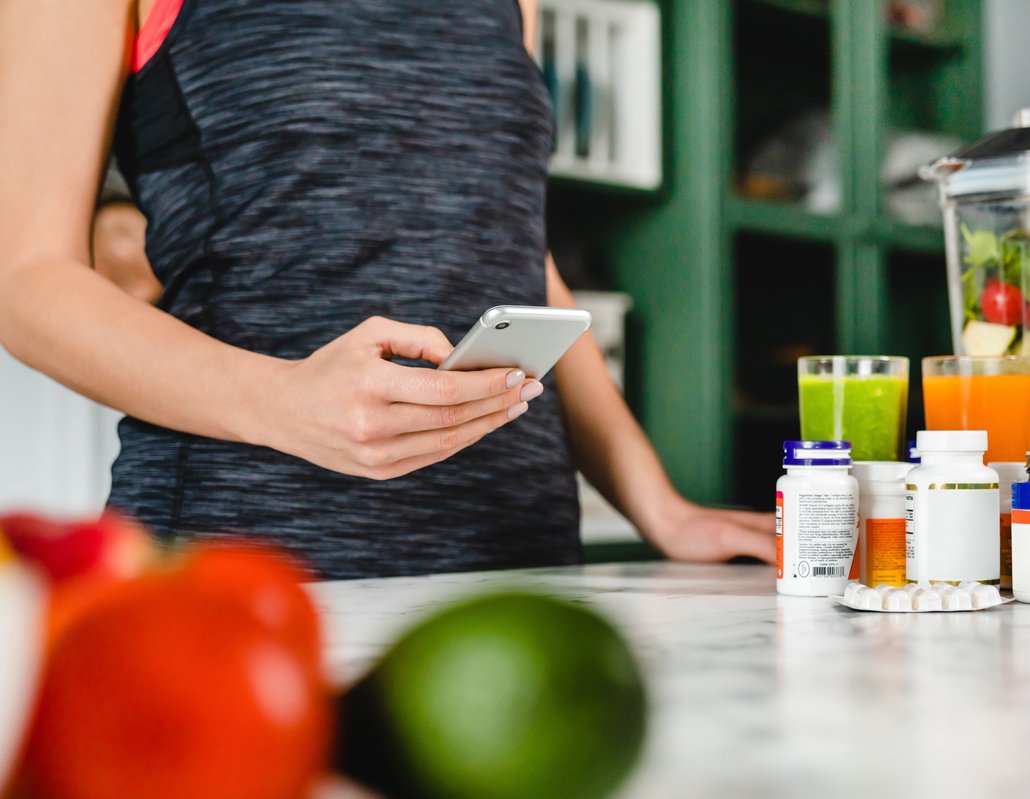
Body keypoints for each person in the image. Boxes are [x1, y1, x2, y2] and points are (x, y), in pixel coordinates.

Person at [0, 0, 774, 578]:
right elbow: (26, 279)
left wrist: (659, 506)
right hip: (252, 553)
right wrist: (280, 400)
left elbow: (511, 247)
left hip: (517, 548)